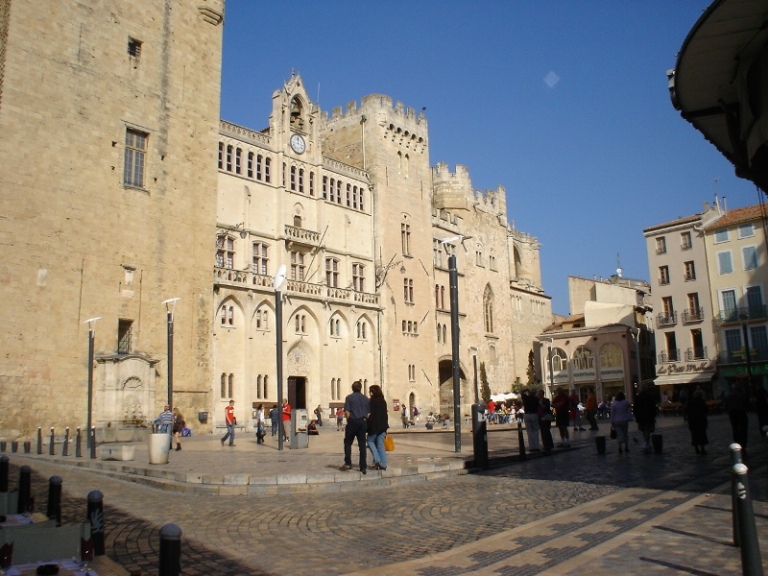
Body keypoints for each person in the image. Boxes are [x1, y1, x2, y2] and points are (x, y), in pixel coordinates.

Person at [340, 380, 370, 473]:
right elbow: (368, 413)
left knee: (348, 442)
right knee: (362, 445)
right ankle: (363, 466)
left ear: (352, 388)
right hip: (362, 422)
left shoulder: (349, 398)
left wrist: (349, 420)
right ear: (361, 388)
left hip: (353, 422)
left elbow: (347, 412)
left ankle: (348, 462)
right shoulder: (366, 398)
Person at [366, 384, 389, 470]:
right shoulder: (383, 401)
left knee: (370, 441)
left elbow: (372, 415)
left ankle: (377, 460)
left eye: (370, 391)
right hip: (383, 426)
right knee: (380, 445)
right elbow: (385, 414)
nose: (369, 393)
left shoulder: (372, 401)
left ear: (373, 392)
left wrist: (367, 420)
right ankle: (383, 464)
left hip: (375, 426)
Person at [725, 381, 749, 454]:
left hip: (733, 413)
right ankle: (743, 446)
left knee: (735, 429)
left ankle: (737, 444)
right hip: (742, 413)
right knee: (743, 430)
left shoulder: (729, 396)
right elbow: (748, 404)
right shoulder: (743, 395)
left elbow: (726, 405)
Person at [634, 384, 658, 454]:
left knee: (644, 430)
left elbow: (635, 408)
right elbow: (653, 407)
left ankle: (646, 443)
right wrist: (654, 415)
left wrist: (637, 417)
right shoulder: (650, 396)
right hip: (649, 416)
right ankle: (646, 443)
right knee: (647, 430)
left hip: (641, 417)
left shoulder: (638, 397)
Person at [686, 388, 708, 455]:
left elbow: (687, 411)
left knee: (694, 435)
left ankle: (696, 449)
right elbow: (706, 410)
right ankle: (702, 448)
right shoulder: (702, 401)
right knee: (701, 435)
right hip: (701, 421)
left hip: (693, 422)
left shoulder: (690, 402)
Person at [537, 389, 554, 454]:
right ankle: (546, 445)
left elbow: (547, 408)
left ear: (542, 394)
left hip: (546, 417)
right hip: (540, 417)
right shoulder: (537, 400)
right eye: (538, 393)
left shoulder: (546, 400)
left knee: (546, 431)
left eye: (539, 393)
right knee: (543, 432)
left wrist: (541, 404)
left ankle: (548, 445)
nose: (538, 395)